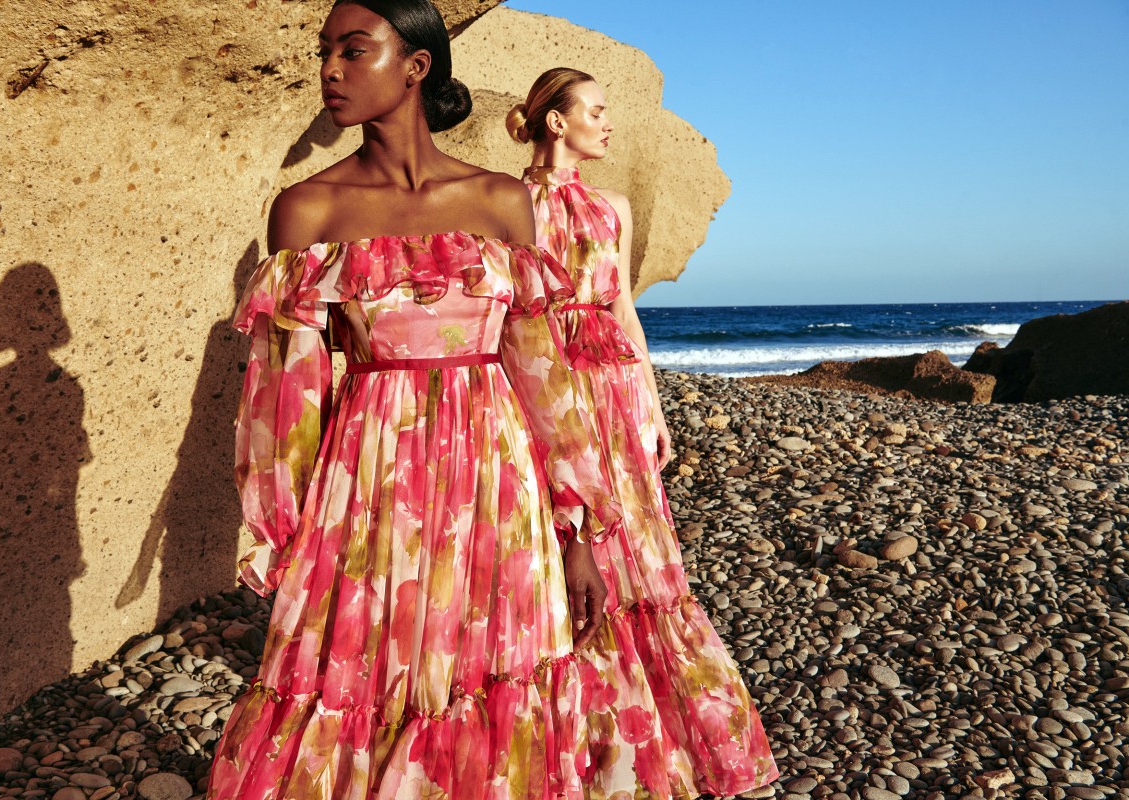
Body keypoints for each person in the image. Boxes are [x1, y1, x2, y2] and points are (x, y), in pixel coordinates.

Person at [204, 6, 622, 799]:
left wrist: (578, 529)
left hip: (500, 487)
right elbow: (281, 402)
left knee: (496, 681)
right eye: (324, 51)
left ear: (417, 66)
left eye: (353, 50)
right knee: (354, 685)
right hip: (367, 486)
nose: (329, 69)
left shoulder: (500, 201)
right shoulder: (308, 210)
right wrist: (282, 530)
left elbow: (543, 377)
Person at [508, 68, 780, 797]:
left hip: (616, 388)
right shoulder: (501, 205)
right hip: (545, 387)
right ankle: (584, 731)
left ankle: (663, 735)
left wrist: (652, 405)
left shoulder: (615, 208)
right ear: (555, 122)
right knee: (559, 536)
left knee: (640, 550)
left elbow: (625, 311)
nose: (608, 123)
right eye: (594, 111)